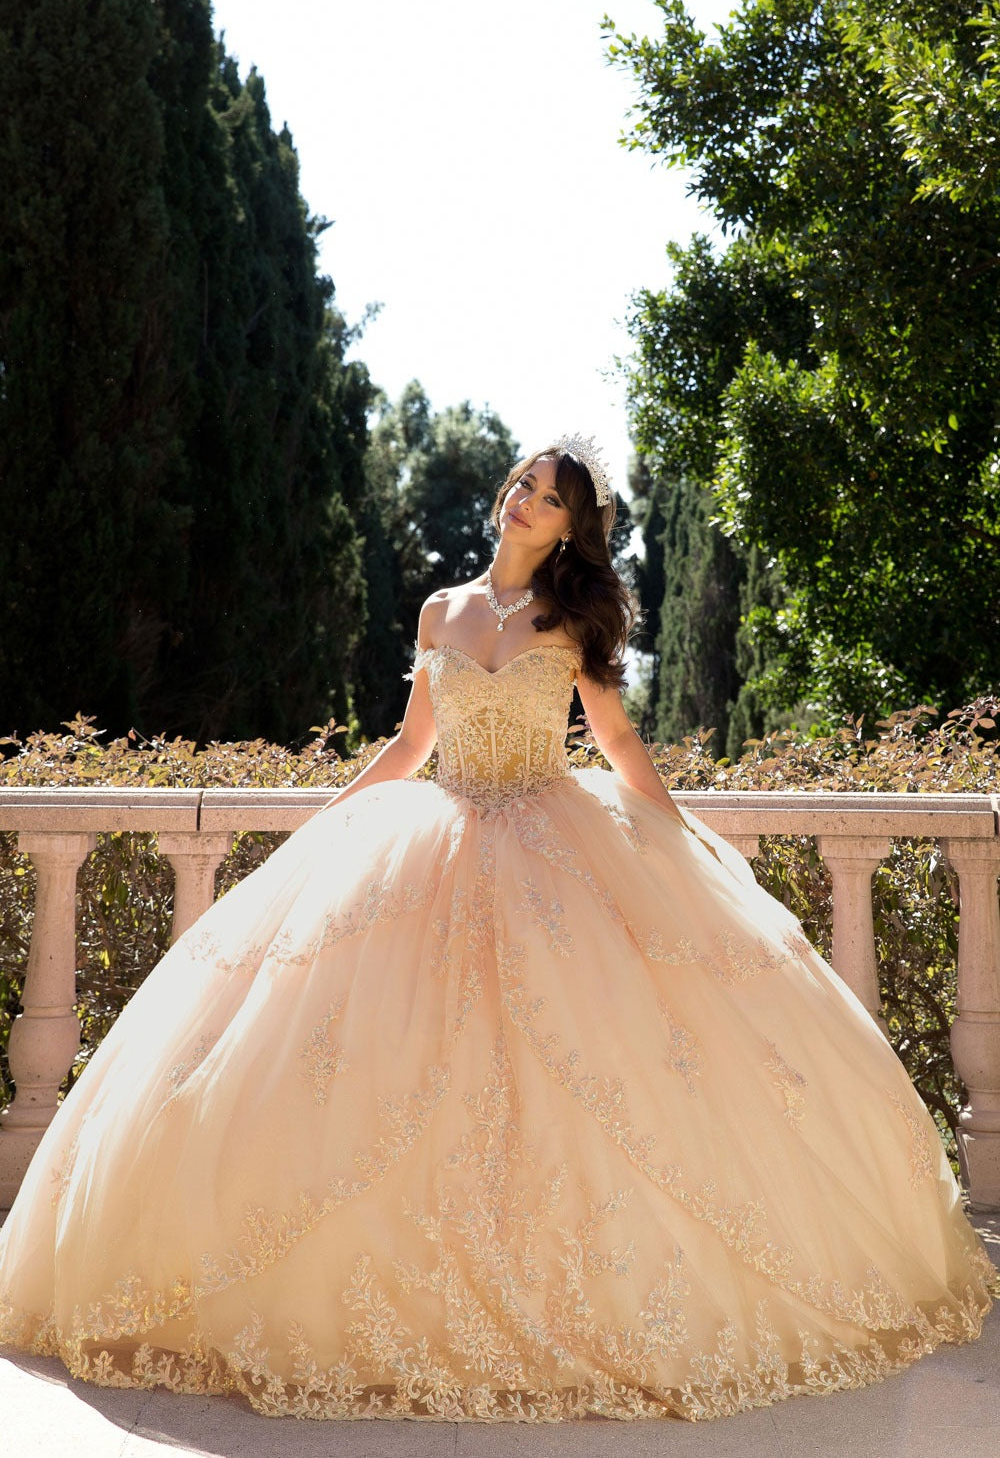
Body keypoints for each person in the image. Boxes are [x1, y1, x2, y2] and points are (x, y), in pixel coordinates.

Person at [0, 437, 994, 1423]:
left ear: (571, 528)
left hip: (553, 851)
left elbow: (615, 741)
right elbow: (410, 742)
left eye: (550, 496)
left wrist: (681, 836)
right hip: (431, 842)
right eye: (522, 481)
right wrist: (330, 820)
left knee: (571, 1069)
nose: (525, 499)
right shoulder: (442, 609)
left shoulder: (570, 623)